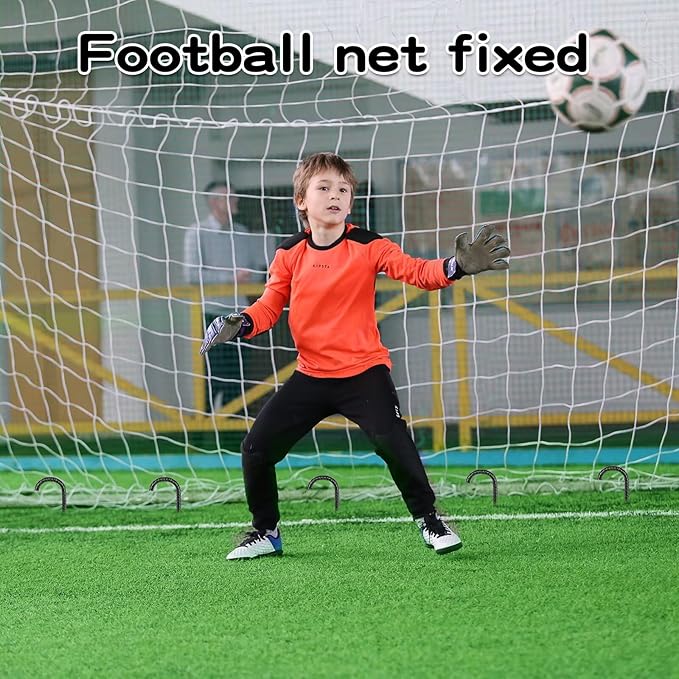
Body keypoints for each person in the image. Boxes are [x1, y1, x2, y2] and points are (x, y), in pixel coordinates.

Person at [199, 153, 510, 559]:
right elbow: (269, 307)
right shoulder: (288, 253)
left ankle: (430, 520)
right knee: (255, 448)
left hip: (363, 371)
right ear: (301, 200)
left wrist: (456, 266)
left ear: (350, 202)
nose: (335, 195)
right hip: (311, 375)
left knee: (392, 441)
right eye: (324, 188)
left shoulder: (368, 245)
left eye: (343, 189)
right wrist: (241, 323)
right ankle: (265, 532)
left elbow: (417, 272)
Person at [184, 180, 261, 413]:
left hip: (239, 314)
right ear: (214, 202)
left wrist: (251, 276)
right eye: (230, 197)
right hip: (212, 314)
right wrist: (230, 278)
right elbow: (191, 274)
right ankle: (205, 428)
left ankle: (235, 428)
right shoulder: (196, 233)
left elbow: (254, 269)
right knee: (212, 376)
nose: (236, 201)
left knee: (238, 376)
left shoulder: (242, 233)